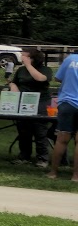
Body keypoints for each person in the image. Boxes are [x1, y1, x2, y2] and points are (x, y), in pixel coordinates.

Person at [13, 48, 51, 166]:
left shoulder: (46, 70)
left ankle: (42, 158)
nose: (21, 57)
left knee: (39, 130)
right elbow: (15, 82)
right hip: (23, 102)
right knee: (23, 130)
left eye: (24, 56)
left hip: (40, 102)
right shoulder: (21, 70)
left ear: (32, 58)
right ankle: (24, 156)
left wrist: (29, 65)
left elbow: (40, 78)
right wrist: (13, 87)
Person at [48, 47, 78, 181]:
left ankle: (53, 173)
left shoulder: (70, 59)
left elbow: (58, 78)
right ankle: (76, 176)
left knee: (61, 139)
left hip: (67, 102)